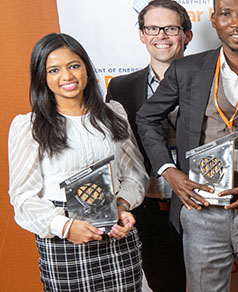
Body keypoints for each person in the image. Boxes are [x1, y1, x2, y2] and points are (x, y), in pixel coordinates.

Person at [137, 0, 238, 292]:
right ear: (214, 20)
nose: (236, 23)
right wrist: (171, 172)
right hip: (200, 210)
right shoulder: (187, 69)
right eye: (226, 14)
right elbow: (146, 117)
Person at [8, 33, 148, 291]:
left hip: (116, 236)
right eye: (54, 70)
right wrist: (66, 227)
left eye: (74, 66)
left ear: (85, 67)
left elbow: (135, 174)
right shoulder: (29, 127)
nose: (67, 77)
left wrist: (121, 205)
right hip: (64, 242)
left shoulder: (113, 114)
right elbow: (23, 197)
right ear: (42, 77)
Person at [106, 0, 191, 291]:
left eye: (170, 28)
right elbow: (116, 155)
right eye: (152, 28)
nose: (161, 36)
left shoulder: (210, 80)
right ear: (142, 35)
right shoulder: (120, 88)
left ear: (186, 35)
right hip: (147, 211)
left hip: (198, 206)